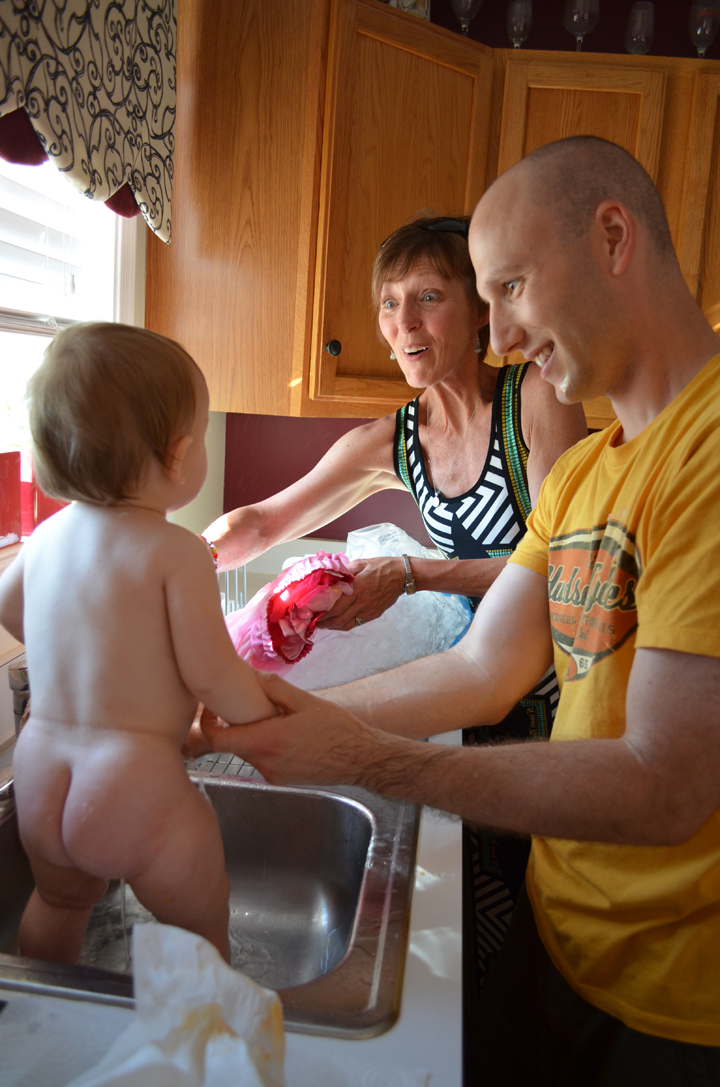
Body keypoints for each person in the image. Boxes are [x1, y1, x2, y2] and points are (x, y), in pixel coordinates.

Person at [202, 137, 720, 1084]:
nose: (504, 334)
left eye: (510, 288)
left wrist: (360, 750)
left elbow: (665, 784)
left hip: (677, 1005)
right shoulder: (591, 479)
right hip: (561, 935)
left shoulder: (705, 453)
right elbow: (483, 672)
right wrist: (256, 726)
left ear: (613, 237)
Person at [204, 215, 586, 1000]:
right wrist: (171, 560)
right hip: (464, 695)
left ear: (480, 311)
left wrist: (412, 572)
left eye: (427, 297)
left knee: (540, 938)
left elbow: (557, 576)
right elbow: (267, 520)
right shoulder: (396, 439)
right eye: (387, 303)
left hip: (553, 711)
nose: (401, 324)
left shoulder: (535, 402)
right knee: (470, 932)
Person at [0, 323, 276, 966]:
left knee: (59, 905)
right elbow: (211, 671)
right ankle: (200, 1030)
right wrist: (263, 722)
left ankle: (47, 1026)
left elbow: (10, 607)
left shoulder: (41, 541)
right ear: (179, 455)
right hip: (132, 785)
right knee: (200, 917)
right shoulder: (176, 551)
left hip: (39, 772)